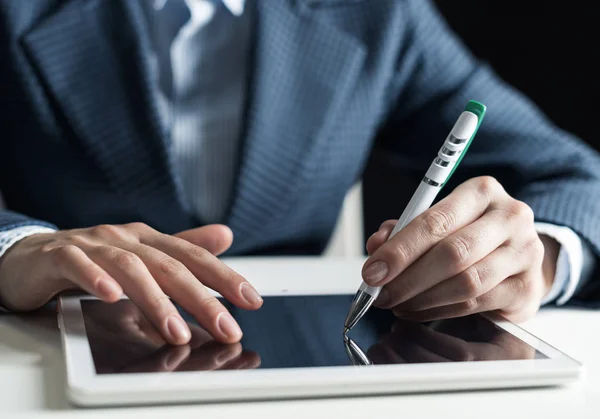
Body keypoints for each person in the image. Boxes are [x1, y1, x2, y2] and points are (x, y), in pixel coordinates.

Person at [0, 0, 598, 346]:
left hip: (307, 367)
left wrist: (538, 255)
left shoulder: (379, 15)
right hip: (55, 356)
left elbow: (579, 178)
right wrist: (15, 247)